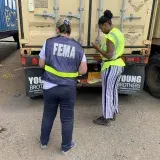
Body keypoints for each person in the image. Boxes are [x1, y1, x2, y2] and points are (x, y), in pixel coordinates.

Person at [39, 18, 87, 154]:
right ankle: (66, 147)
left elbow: (41, 64)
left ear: (57, 30)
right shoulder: (78, 47)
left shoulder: (48, 43)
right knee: (67, 118)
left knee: (48, 115)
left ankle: (43, 142)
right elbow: (83, 70)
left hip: (49, 86)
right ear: (70, 31)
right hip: (68, 88)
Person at [92, 10, 125, 126]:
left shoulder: (110, 36)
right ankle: (113, 112)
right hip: (118, 65)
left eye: (101, 28)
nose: (102, 31)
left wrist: (97, 48)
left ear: (106, 24)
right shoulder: (118, 33)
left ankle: (105, 118)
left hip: (111, 66)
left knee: (107, 92)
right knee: (113, 90)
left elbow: (109, 54)